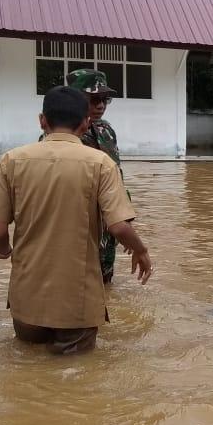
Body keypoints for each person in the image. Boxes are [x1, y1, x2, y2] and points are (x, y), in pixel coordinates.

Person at [0, 86, 153, 354]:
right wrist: (140, 250)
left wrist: (4, 252)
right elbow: (118, 226)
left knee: (28, 367)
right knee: (75, 377)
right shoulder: (101, 163)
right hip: (78, 298)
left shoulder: (11, 160)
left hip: (26, 296)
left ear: (42, 121)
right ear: (85, 123)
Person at [70, 69, 127, 284]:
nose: (100, 105)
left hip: (108, 221)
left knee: (105, 277)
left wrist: (126, 219)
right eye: (93, 99)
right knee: (79, 279)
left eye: (104, 99)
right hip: (79, 223)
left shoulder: (105, 130)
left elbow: (117, 176)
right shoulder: (61, 135)